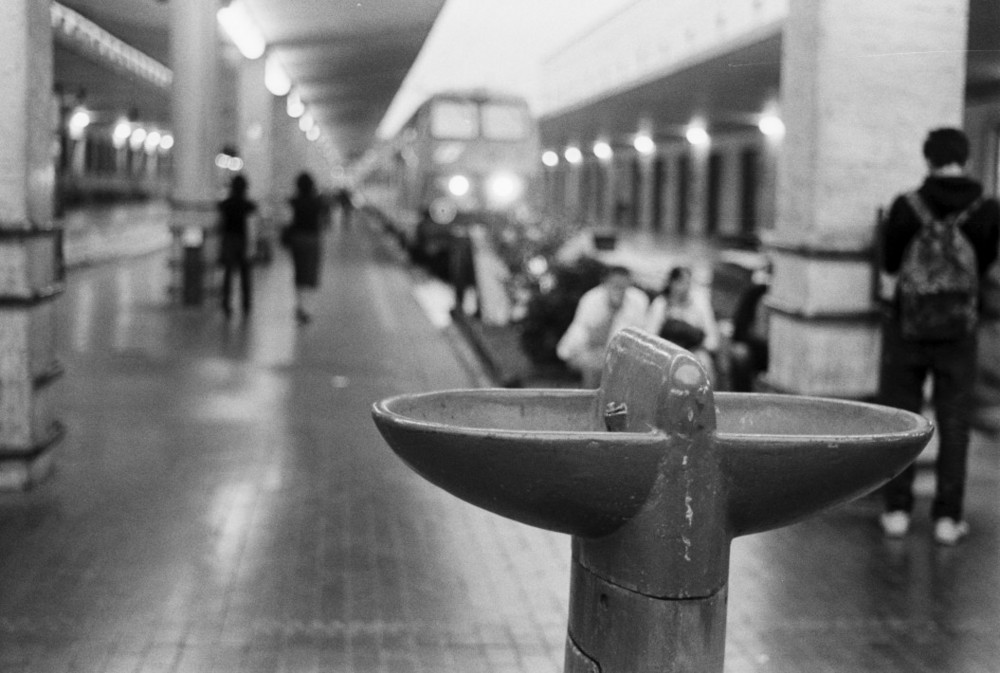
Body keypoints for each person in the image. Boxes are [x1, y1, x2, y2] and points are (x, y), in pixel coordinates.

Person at [877, 127, 1000, 545]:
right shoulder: (988, 209)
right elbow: (984, 266)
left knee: (904, 419)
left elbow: (891, 264)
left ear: (928, 159)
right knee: (955, 424)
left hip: (907, 329)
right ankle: (948, 520)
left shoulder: (906, 206)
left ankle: (897, 510)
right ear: (964, 158)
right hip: (959, 332)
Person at [556, 265, 649, 388]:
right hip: (585, 350)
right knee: (595, 366)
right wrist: (612, 312)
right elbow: (588, 338)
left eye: (622, 285)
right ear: (606, 282)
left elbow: (642, 337)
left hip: (623, 355)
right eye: (615, 285)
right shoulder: (591, 299)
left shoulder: (639, 300)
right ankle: (589, 404)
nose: (619, 289)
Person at [645, 265, 720, 379]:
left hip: (694, 354)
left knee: (705, 363)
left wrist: (696, 351)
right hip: (666, 354)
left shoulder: (701, 304)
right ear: (671, 283)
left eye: (687, 283)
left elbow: (712, 339)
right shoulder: (660, 304)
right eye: (680, 282)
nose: (684, 288)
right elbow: (650, 334)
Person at [287, 172, 325, 324]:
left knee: (299, 271)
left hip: (297, 240)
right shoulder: (317, 202)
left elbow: (288, 220)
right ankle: (307, 308)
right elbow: (323, 221)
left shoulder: (293, 201)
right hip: (313, 240)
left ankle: (300, 306)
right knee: (311, 272)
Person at [217, 174, 257, 317]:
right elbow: (251, 227)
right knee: (245, 275)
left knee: (228, 274)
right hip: (243, 241)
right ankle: (246, 304)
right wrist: (252, 246)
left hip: (229, 240)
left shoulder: (225, 204)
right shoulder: (249, 206)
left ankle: (226, 303)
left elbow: (220, 224)